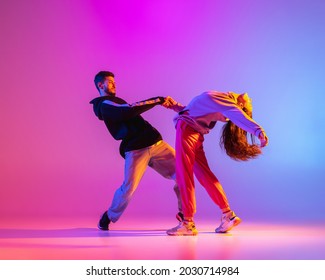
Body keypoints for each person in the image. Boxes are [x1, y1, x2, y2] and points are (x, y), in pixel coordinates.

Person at [162, 91, 269, 236]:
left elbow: (239, 116)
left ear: (241, 105)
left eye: (248, 101)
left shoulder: (226, 101)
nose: (248, 96)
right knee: (205, 175)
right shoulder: (221, 102)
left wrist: (258, 131)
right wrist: (176, 107)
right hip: (194, 132)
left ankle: (187, 222)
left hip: (187, 129)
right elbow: (197, 111)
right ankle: (228, 215)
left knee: (184, 174)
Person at [90, 71, 183, 230]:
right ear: (100, 85)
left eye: (114, 81)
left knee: (183, 175)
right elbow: (127, 110)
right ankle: (108, 216)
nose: (114, 84)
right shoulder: (104, 104)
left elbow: (128, 109)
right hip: (135, 149)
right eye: (110, 82)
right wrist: (158, 100)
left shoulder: (115, 102)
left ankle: (184, 214)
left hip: (155, 143)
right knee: (129, 188)